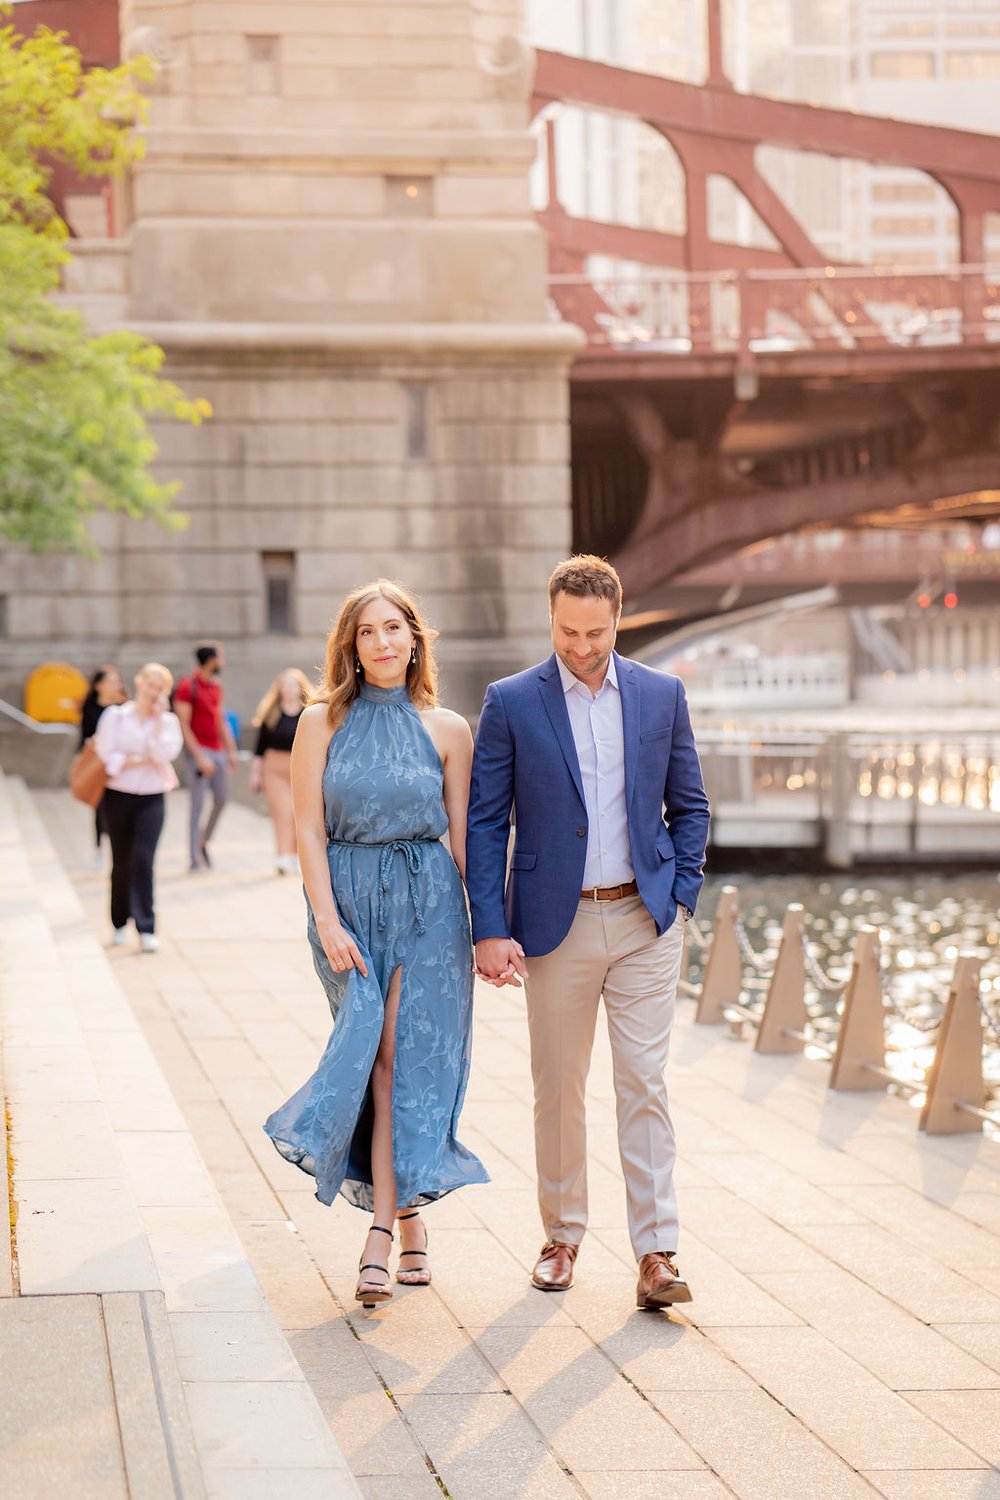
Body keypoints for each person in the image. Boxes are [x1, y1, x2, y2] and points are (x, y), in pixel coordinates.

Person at [466, 555, 710, 1310]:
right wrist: (490, 928)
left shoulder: (661, 695)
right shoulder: (510, 702)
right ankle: (562, 1238)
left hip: (644, 918)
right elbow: (484, 821)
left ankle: (656, 1254)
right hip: (553, 925)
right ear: (552, 618)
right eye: (567, 632)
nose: (580, 646)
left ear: (618, 619)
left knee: (643, 1083)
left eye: (594, 633)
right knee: (558, 1088)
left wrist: (683, 894)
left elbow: (690, 804)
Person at [264, 580, 488, 1309]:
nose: (383, 641)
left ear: (416, 638)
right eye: (368, 631)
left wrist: (494, 931)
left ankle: (381, 1237)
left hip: (429, 911)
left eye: (395, 628)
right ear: (351, 646)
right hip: (350, 909)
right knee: (371, 1055)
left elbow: (462, 843)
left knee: (399, 1063)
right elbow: (306, 830)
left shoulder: (449, 728)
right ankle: (410, 1214)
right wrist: (326, 919)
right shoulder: (319, 722)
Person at [94, 663, 183, 954]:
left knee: (144, 859)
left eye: (160, 688)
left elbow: (165, 753)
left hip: (152, 795)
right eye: (150, 685)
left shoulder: (168, 722)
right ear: (139, 683)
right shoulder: (116, 715)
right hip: (117, 794)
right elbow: (107, 754)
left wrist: (156, 724)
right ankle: (119, 921)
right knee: (121, 860)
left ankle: (146, 926)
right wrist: (137, 757)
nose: (153, 692)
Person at [173, 642, 238, 872]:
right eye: (220, 657)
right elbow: (183, 724)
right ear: (210, 660)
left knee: (222, 799)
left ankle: (202, 842)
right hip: (198, 753)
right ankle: (194, 858)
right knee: (197, 805)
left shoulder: (216, 686)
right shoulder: (187, 686)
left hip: (218, 750)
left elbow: (220, 718)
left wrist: (231, 749)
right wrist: (199, 756)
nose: (223, 662)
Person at [250, 668, 311, 874]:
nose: (288, 689)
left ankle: (295, 855)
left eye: (292, 684)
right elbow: (259, 748)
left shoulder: (309, 712)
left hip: (300, 767)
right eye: (284, 685)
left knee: (298, 813)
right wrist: (256, 774)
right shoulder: (271, 714)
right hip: (274, 768)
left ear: (300, 687)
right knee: (282, 812)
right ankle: (282, 855)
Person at [78, 664, 126, 868]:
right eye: (109, 681)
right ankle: (99, 847)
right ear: (98, 685)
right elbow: (84, 738)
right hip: (99, 764)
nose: (114, 685)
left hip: (122, 766)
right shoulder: (90, 709)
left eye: (116, 681)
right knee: (99, 809)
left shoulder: (125, 708)